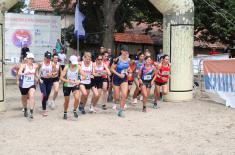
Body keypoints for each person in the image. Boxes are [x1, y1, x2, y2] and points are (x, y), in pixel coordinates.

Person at [60, 55, 83, 119]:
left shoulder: (78, 67)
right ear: (70, 62)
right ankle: (65, 112)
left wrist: (79, 80)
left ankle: (75, 110)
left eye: (75, 63)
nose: (74, 64)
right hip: (67, 86)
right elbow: (61, 77)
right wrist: (67, 81)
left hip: (75, 85)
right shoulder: (66, 67)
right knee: (67, 101)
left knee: (77, 98)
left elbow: (84, 75)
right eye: (73, 63)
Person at [17, 53, 39, 119]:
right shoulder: (23, 66)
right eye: (29, 59)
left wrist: (39, 78)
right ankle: (25, 109)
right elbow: (19, 73)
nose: (31, 60)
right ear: (27, 59)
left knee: (32, 95)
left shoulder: (35, 66)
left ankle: (31, 112)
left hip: (31, 84)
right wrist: (24, 73)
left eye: (32, 59)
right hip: (23, 85)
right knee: (24, 98)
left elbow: (36, 74)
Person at [111, 45, 130, 117]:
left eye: (127, 52)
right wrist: (119, 74)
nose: (126, 53)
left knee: (124, 94)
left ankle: (121, 110)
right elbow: (111, 69)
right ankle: (114, 99)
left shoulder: (128, 59)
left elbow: (128, 67)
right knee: (117, 97)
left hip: (124, 79)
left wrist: (128, 71)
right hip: (116, 78)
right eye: (125, 51)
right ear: (121, 51)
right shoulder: (117, 59)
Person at [38, 51, 57, 116]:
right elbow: (36, 71)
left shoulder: (52, 64)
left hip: (49, 80)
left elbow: (56, 72)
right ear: (45, 57)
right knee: (44, 94)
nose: (48, 59)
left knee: (47, 95)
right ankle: (44, 110)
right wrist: (39, 78)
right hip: (42, 80)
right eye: (47, 58)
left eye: (49, 58)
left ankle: (44, 102)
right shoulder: (41, 63)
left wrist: (51, 74)